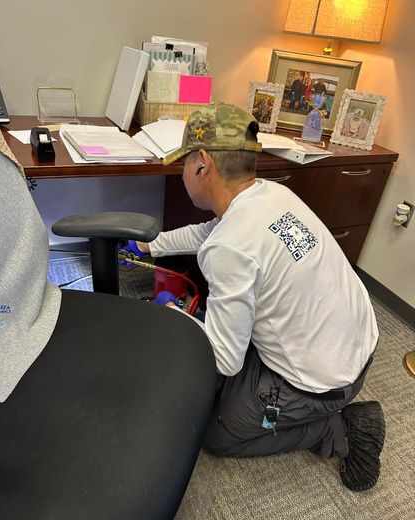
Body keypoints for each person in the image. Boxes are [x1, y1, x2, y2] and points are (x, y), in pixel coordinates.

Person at [136, 103, 385, 492]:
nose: (182, 172)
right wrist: (151, 245)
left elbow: (225, 359)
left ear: (203, 164)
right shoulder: (269, 195)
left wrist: (173, 318)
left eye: (184, 163)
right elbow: (210, 233)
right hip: (356, 342)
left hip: (320, 380)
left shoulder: (232, 247)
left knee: (218, 434)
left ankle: (340, 429)